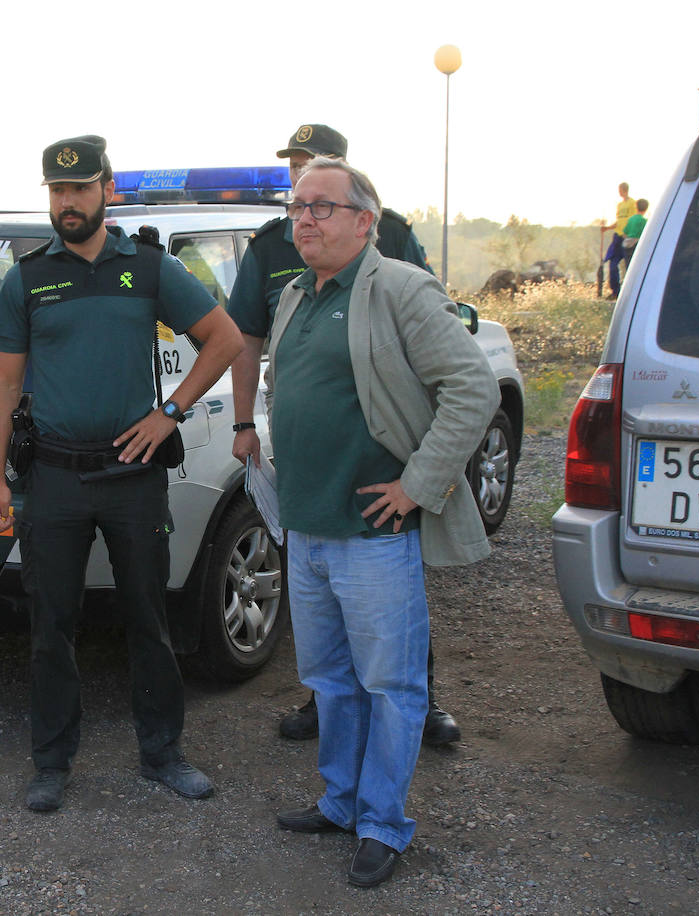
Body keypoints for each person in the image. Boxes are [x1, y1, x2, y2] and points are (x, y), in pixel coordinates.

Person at [0, 135, 243, 812]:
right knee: (52, 625)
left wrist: (171, 413)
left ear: (106, 190)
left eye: (78, 189)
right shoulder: (28, 277)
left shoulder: (149, 268)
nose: (66, 203)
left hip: (132, 475)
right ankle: (52, 763)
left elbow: (225, 339)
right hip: (55, 478)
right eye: (55, 192)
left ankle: (162, 753)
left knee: (149, 620)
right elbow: (4, 383)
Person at [268, 157, 498, 887]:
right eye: (297, 206)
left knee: (390, 685)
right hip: (306, 529)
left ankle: (383, 823)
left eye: (323, 207)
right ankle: (341, 801)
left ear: (365, 221)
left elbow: (471, 386)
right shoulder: (294, 295)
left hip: (373, 534)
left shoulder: (398, 287)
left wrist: (418, 484)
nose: (305, 218)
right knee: (330, 681)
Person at [226, 123, 462, 748]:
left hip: (376, 479)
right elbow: (246, 336)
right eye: (295, 176)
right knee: (324, 625)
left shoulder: (395, 238)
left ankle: (422, 703)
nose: (303, 205)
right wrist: (244, 420)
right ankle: (329, 718)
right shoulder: (272, 246)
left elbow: (429, 336)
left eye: (315, 172)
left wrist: (420, 480)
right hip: (311, 493)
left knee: (391, 618)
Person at [602, 182, 636, 298]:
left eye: (619, 190)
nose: (619, 192)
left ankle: (630, 292)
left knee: (630, 266)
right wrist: (607, 228)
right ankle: (615, 291)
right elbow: (619, 221)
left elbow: (633, 220)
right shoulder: (619, 205)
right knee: (612, 264)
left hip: (627, 238)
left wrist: (629, 234)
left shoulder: (632, 203)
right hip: (617, 237)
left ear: (623, 189)